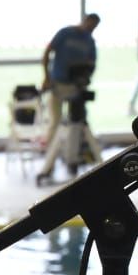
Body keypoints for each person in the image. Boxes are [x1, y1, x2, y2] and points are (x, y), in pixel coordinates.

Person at [37, 13, 101, 184]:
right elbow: (48, 52)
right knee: (55, 123)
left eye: (94, 27)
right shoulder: (65, 34)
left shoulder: (90, 42)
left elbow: (92, 64)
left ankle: (74, 159)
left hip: (76, 88)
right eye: (90, 25)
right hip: (58, 85)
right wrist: (46, 77)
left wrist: (85, 79)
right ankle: (48, 166)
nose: (90, 29)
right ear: (85, 20)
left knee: (77, 124)